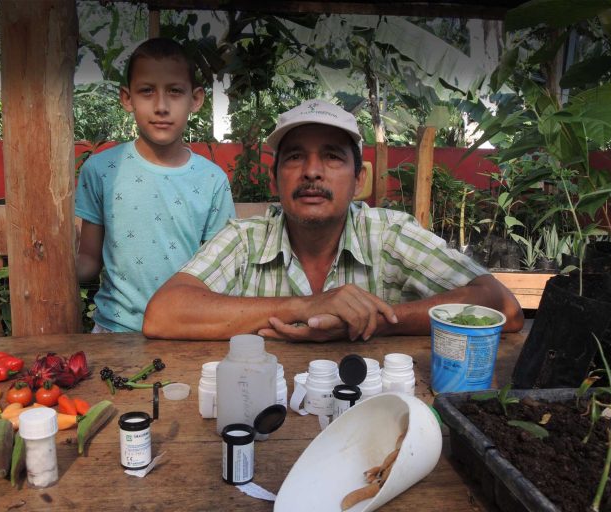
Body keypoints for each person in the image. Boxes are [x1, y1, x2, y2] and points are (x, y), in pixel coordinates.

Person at [143, 99, 523, 341]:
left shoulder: (389, 234)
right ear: (275, 179)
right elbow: (163, 314)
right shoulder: (245, 238)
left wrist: (377, 320)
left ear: (359, 181)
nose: (311, 172)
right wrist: (304, 307)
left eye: (332, 157)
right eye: (294, 157)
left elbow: (502, 307)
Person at [75, 38, 235, 332]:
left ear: (195, 99)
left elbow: (219, 272)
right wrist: (41, 265)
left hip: (186, 332)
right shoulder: (100, 170)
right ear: (127, 98)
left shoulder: (212, 181)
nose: (161, 106)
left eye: (174, 91)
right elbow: (88, 259)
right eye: (147, 91)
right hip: (114, 333)